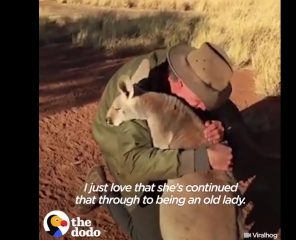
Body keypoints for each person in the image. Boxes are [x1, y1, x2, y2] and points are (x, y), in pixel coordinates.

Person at [75, 42, 238, 240]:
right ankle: (105, 191)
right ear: (180, 83)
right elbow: (131, 164)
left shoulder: (195, 68)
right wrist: (202, 158)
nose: (203, 107)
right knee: (151, 236)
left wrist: (217, 126)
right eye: (200, 100)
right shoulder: (136, 100)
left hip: (166, 137)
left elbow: (223, 112)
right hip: (127, 150)